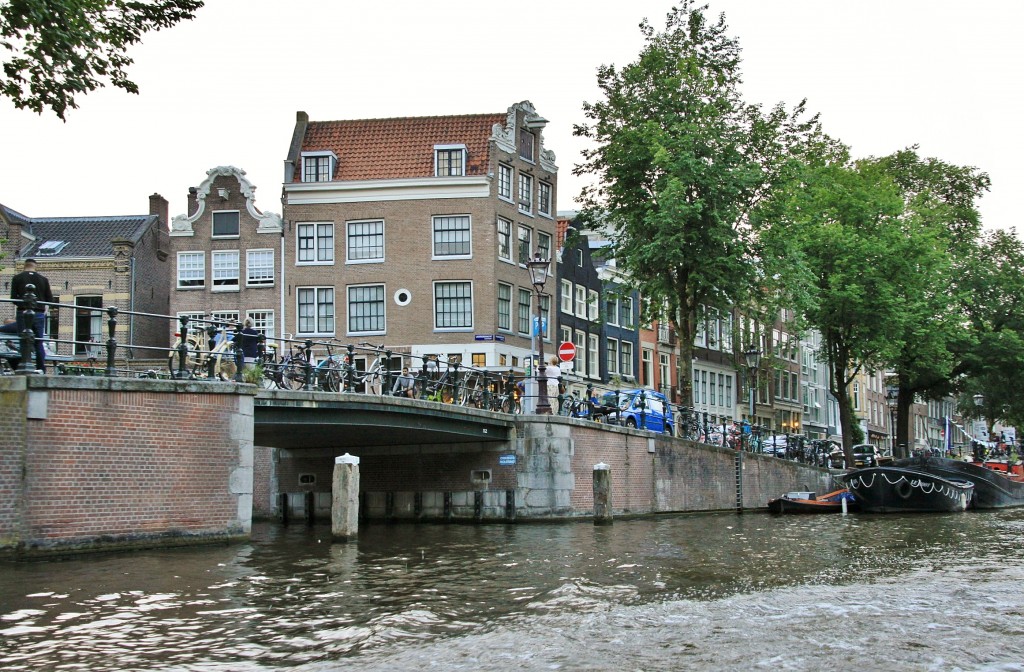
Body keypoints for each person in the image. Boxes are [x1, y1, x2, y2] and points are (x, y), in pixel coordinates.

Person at [10, 258, 54, 373]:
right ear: (35, 267)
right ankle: (41, 368)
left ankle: (24, 367)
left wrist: (24, 303)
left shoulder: (17, 278)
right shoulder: (43, 280)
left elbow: (13, 298)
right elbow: (50, 299)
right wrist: (41, 307)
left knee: (24, 340)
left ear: (24, 266)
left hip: (23, 313)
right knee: (38, 341)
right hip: (39, 313)